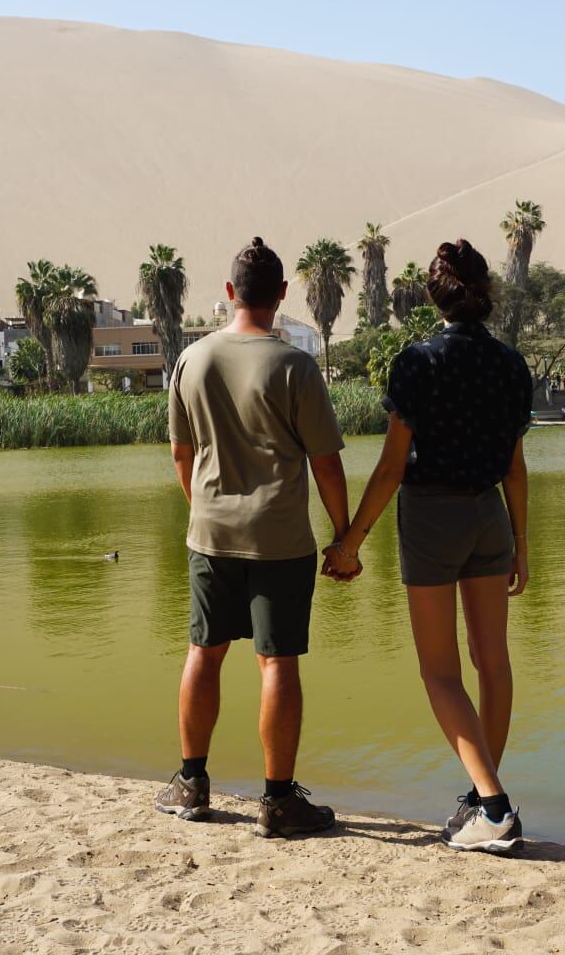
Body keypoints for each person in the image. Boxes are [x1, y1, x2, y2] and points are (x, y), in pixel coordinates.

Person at [324, 239, 532, 855]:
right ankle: (481, 796)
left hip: (432, 519)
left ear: (433, 295)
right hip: (490, 517)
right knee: (491, 662)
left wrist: (349, 542)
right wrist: (522, 543)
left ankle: (492, 807)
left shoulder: (417, 361)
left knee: (439, 671)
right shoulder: (510, 365)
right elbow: (515, 468)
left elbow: (391, 468)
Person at [155, 236, 350, 839]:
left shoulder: (194, 359)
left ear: (231, 291)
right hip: (280, 539)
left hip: (210, 535)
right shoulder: (295, 365)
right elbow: (326, 465)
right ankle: (278, 802)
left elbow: (181, 455)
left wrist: (205, 511)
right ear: (283, 295)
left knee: (203, 652)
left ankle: (191, 783)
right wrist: (344, 536)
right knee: (277, 661)